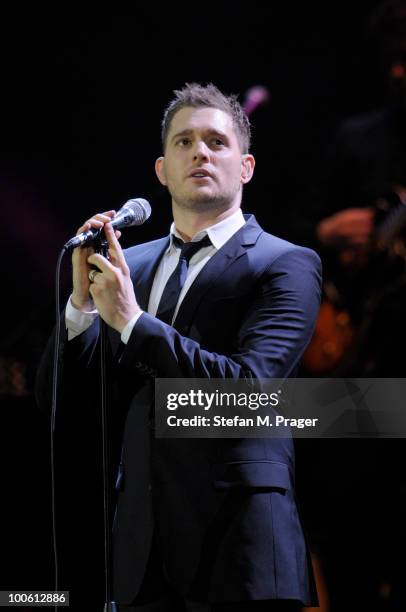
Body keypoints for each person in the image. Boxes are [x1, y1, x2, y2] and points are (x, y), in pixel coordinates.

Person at [37, 83, 322, 611]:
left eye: (217, 142)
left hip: (240, 548)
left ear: (246, 167)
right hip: (139, 554)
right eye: (184, 142)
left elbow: (250, 393)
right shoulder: (132, 266)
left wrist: (132, 321)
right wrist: (79, 310)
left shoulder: (286, 263)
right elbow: (58, 403)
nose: (200, 152)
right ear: (162, 170)